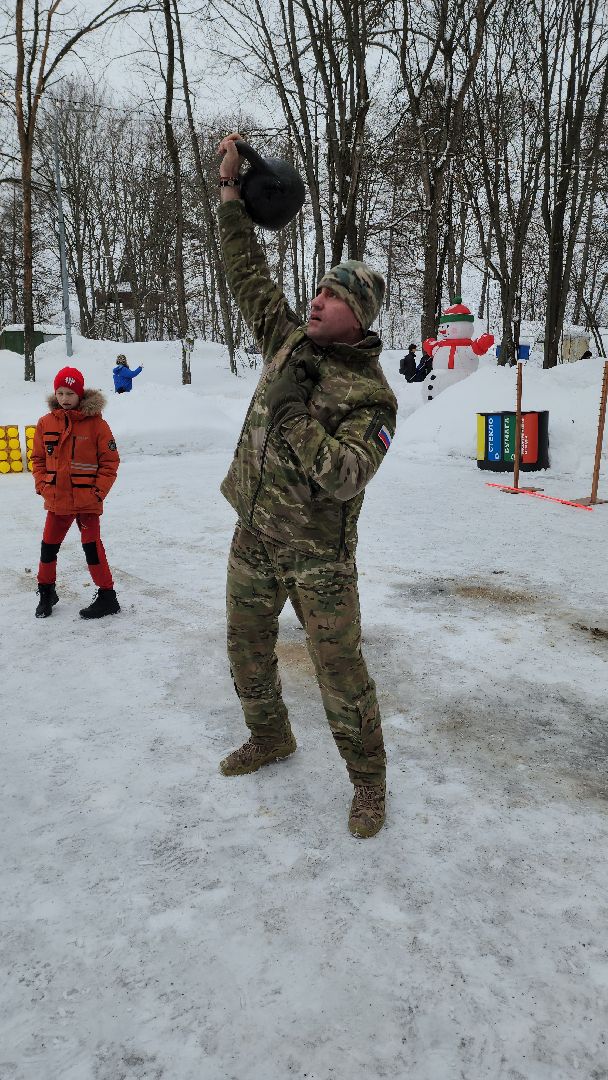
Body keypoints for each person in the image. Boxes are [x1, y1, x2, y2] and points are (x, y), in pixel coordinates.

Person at [216, 132, 398, 839]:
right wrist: (232, 193)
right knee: (246, 646)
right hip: (255, 535)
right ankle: (271, 737)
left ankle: (369, 785)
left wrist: (291, 414)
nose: (317, 299)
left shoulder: (373, 397)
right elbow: (245, 272)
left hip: (320, 558)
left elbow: (347, 474)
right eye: (319, 288)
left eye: (333, 294)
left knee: (341, 675)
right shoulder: (289, 340)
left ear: (360, 315)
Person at [31, 366, 121, 620]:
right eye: (60, 392)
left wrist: (97, 493)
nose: (65, 398)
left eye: (70, 392)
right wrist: (42, 484)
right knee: (48, 548)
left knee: (92, 548)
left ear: (80, 394)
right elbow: (37, 458)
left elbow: (110, 463)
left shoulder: (97, 425)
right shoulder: (45, 423)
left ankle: (107, 597)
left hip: (86, 502)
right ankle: (46, 592)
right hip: (57, 501)